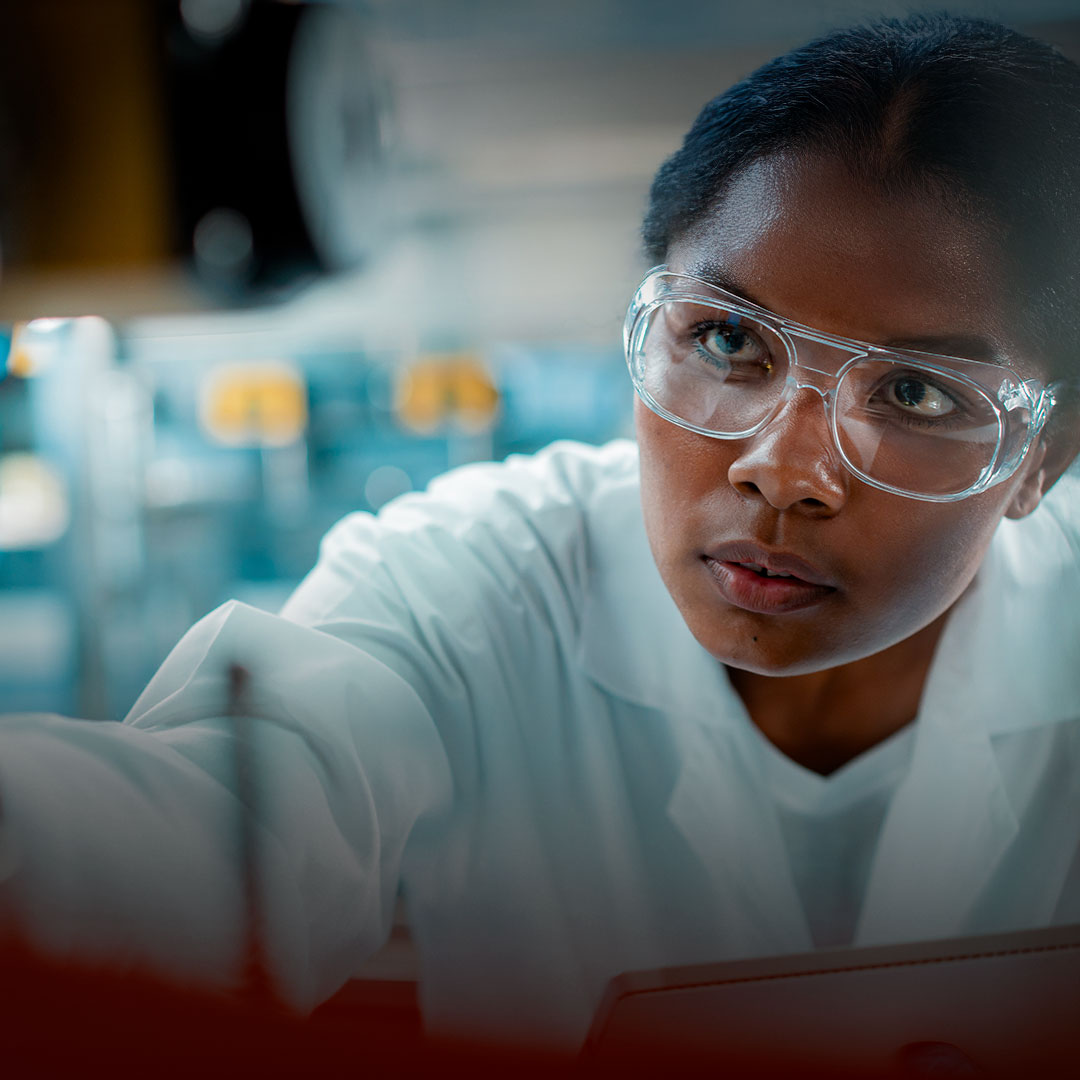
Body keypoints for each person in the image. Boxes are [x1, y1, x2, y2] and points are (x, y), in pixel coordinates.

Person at [1, 12, 1079, 1053]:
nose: (783, 470)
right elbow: (208, 835)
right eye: (727, 339)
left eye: (916, 394)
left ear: (1044, 457)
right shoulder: (468, 586)